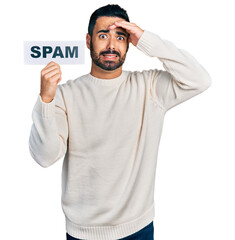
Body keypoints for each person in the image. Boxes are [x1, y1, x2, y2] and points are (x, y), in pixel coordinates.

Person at [28, 4, 211, 240]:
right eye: (103, 36)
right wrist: (46, 99)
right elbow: (44, 156)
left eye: (120, 37)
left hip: (138, 228)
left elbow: (200, 80)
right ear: (88, 41)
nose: (112, 45)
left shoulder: (149, 87)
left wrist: (146, 40)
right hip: (82, 232)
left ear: (129, 43)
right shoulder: (64, 95)